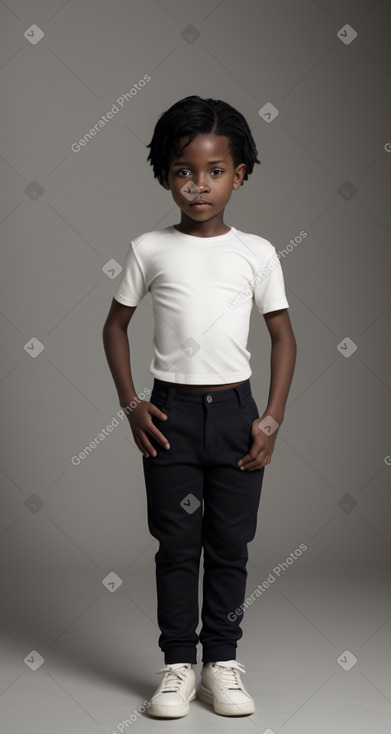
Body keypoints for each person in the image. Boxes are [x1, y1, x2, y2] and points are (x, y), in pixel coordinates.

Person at [102, 95, 297, 719]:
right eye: (184, 171)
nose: (198, 185)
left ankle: (223, 663)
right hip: (171, 418)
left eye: (215, 171)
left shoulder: (258, 253)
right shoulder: (148, 249)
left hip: (237, 417)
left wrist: (270, 419)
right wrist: (132, 404)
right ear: (165, 173)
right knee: (177, 544)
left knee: (231, 545)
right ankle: (177, 666)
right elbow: (114, 327)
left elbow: (283, 336)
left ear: (239, 174)